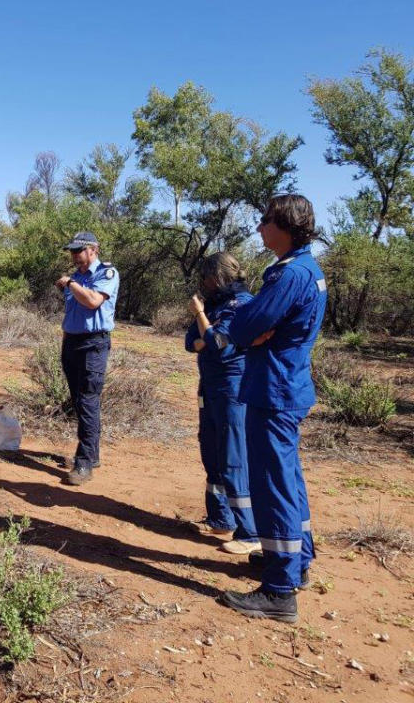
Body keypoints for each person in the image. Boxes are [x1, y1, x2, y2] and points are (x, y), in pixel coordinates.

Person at [218, 194, 326, 624]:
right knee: (288, 477)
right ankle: (297, 561)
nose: (259, 228)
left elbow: (244, 325)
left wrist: (253, 331)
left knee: (273, 482)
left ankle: (280, 589)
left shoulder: (289, 275)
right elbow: (254, 328)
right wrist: (257, 331)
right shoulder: (307, 269)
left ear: (284, 225)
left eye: (265, 221)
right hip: (287, 385)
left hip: (274, 388)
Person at [185, 253, 260, 555]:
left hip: (232, 388)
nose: (202, 284)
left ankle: (250, 531)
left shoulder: (242, 304)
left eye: (205, 278)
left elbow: (219, 347)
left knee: (232, 456)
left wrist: (202, 318)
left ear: (218, 277)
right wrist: (207, 330)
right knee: (211, 450)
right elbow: (192, 342)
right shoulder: (215, 306)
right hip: (210, 386)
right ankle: (220, 517)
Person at [56, 231, 119, 486]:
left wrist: (70, 284)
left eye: (78, 252)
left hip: (93, 344)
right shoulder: (78, 276)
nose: (74, 257)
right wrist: (71, 283)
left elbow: (93, 301)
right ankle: (91, 454)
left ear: (93, 249)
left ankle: (84, 464)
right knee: (79, 401)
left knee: (88, 400)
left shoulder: (106, 274)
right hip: (71, 342)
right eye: (72, 252)